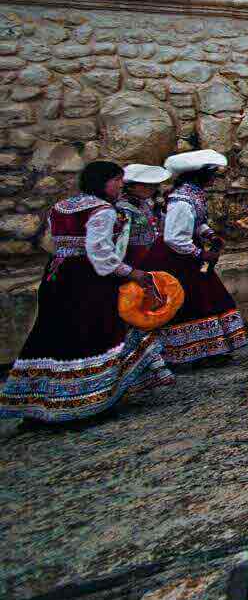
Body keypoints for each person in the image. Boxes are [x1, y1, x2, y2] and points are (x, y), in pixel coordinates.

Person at [0, 162, 174, 424]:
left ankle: (40, 403)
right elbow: (100, 254)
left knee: (54, 334)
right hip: (89, 280)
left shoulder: (62, 206)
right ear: (101, 182)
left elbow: (54, 242)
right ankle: (84, 403)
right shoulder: (102, 211)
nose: (119, 186)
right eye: (116, 180)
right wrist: (131, 272)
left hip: (57, 276)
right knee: (94, 336)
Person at [143, 149, 248, 365]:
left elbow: (196, 221)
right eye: (212, 174)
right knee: (193, 301)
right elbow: (174, 237)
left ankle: (211, 348)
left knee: (207, 297)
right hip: (177, 259)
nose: (214, 178)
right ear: (200, 175)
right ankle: (198, 352)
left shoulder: (192, 195)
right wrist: (201, 253)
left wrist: (209, 234)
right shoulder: (182, 199)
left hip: (188, 255)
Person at [118, 164, 171, 269]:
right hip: (133, 259)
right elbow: (121, 241)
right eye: (145, 185)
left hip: (150, 255)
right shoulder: (123, 208)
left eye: (154, 185)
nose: (151, 189)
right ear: (130, 187)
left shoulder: (145, 203)